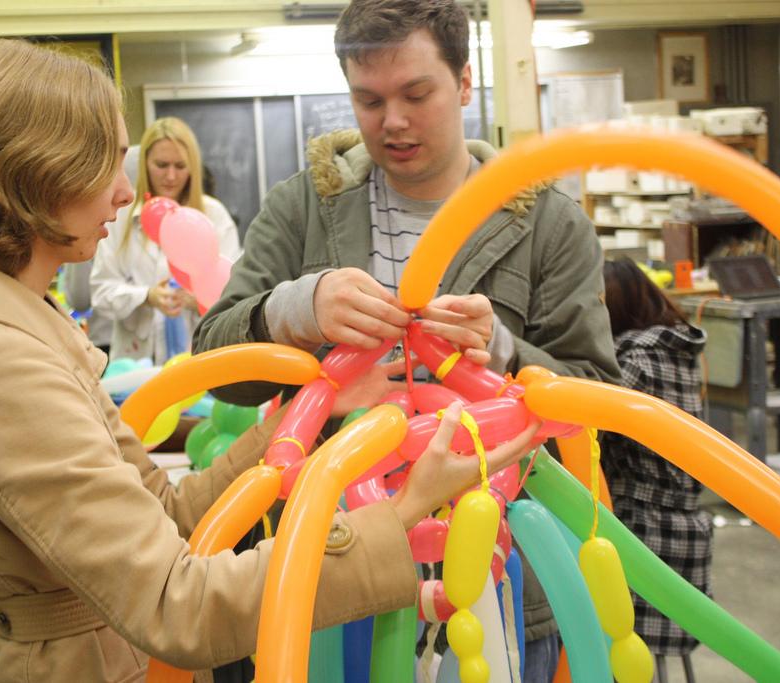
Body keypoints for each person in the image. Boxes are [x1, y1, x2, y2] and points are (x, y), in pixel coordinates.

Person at [0, 38, 539, 682]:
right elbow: (179, 606)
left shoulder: (17, 334)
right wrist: (401, 516)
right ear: (37, 172)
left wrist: (302, 421)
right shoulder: (3, 367)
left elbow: (168, 516)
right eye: (105, 165)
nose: (127, 194)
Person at [193, 1, 621, 679]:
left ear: (464, 83)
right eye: (368, 100)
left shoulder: (547, 224)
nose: (391, 120)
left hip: (506, 576)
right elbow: (215, 366)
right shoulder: (304, 208)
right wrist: (294, 307)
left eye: (415, 94)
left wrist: (504, 353)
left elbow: (600, 402)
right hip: (338, 573)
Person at [599, 258, 711, 660]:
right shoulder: (676, 351)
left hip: (644, 533)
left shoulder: (636, 361)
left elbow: (588, 423)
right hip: (686, 529)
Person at [91, 116, 241, 363]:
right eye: (161, 165)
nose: (171, 176)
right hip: (136, 363)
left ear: (192, 167)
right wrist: (146, 296)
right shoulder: (121, 215)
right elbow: (100, 293)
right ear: (144, 164)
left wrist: (198, 300)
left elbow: (235, 292)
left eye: (180, 166)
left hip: (200, 361)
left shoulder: (213, 216)